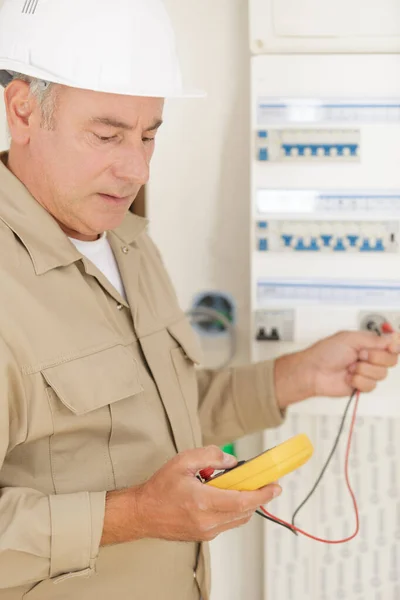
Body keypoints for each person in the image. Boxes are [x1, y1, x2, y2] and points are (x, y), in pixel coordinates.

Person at [0, 1, 398, 598]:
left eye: (149, 136)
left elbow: (164, 417)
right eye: (107, 135)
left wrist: (298, 375)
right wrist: (134, 514)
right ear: (24, 111)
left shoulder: (125, 239)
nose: (136, 167)